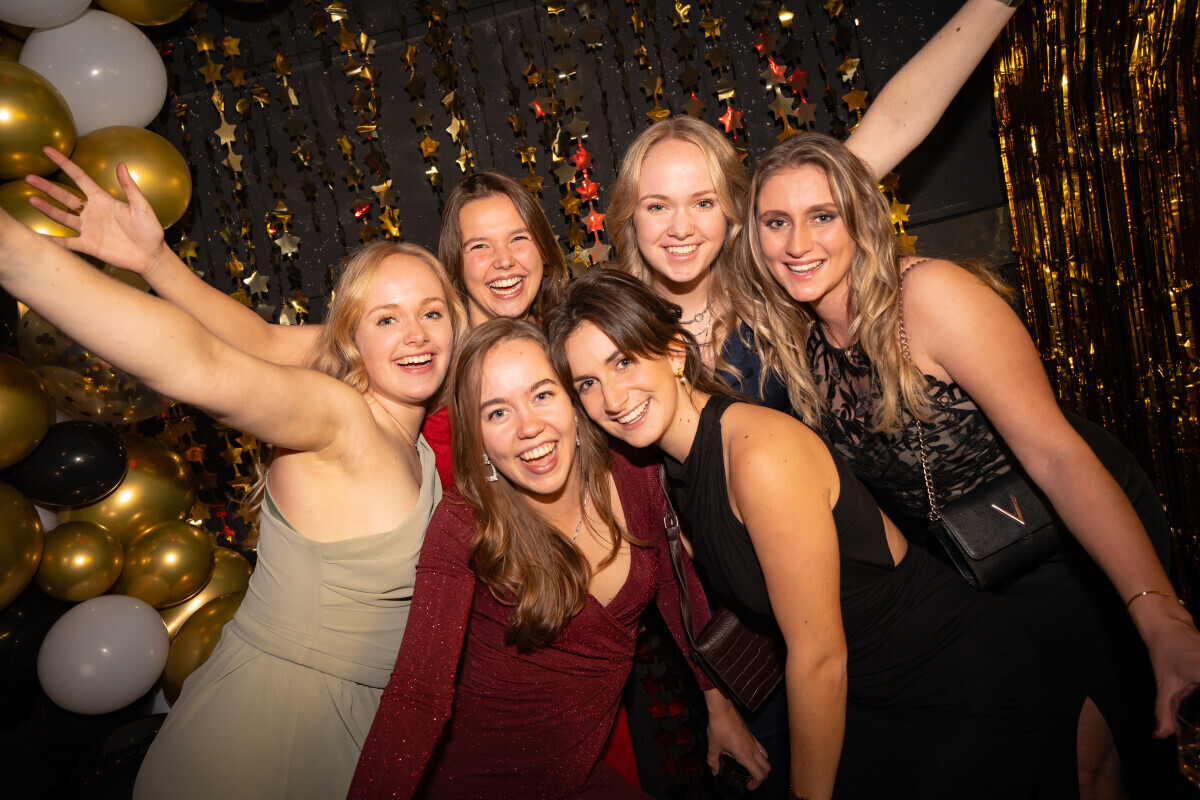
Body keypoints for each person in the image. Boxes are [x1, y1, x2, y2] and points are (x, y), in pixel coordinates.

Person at [26, 152, 644, 788]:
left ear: (544, 245)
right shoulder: (419, 354)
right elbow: (242, 352)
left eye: (518, 238)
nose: (504, 261)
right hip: (390, 671)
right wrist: (154, 263)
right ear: (455, 266)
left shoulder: (570, 349)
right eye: (479, 246)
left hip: (525, 634)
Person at [603, 3, 1029, 792]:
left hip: (874, 591)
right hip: (756, 630)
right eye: (657, 205)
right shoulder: (615, 336)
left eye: (703, 201)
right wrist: (711, 688)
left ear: (736, 212)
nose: (681, 227)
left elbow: (894, 122)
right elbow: (647, 530)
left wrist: (991, 5)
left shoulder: (776, 274)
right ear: (629, 214)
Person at [740, 130, 1200, 798]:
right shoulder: (798, 338)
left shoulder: (930, 296)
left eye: (822, 215)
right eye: (776, 222)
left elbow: (1058, 457)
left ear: (860, 218)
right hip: (972, 563)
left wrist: (1160, 613)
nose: (798, 243)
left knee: (1088, 762)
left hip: (1063, 541)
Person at [0, 198, 468, 798]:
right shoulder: (341, 417)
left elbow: (263, 338)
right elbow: (200, 364)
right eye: (386, 319)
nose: (415, 334)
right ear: (351, 338)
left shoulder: (416, 444)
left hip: (361, 732)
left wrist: (156, 261)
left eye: (431, 313)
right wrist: (16, 257)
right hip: (271, 732)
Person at [544, 268, 1048, 800]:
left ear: (673, 352)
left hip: (952, 685)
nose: (612, 398)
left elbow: (819, 657)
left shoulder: (760, 457)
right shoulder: (674, 465)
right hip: (862, 696)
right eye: (587, 384)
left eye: (623, 361)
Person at [347, 318, 768, 799]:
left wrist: (718, 704)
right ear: (477, 438)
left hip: (577, 781)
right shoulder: (463, 524)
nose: (529, 427)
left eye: (542, 394)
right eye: (497, 413)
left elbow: (675, 585)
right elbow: (417, 695)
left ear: (572, 399)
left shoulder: (634, 475)